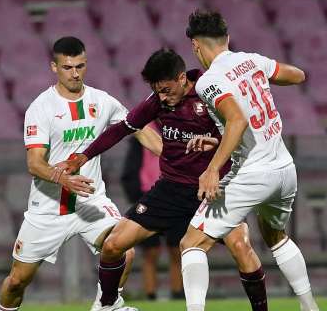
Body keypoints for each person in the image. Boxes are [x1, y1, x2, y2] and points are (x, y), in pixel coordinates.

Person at [61, 49, 269, 311]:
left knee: (241, 246)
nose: (162, 96)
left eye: (166, 89)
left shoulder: (211, 93)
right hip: (170, 190)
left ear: (182, 78)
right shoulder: (158, 101)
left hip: (213, 190)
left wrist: (216, 150)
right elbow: (123, 128)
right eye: (157, 90)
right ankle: (107, 305)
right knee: (113, 245)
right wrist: (83, 156)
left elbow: (240, 131)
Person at [0, 36, 162, 311]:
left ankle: (106, 306)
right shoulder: (41, 108)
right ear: (54, 67)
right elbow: (34, 164)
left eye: (80, 66)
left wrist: (172, 155)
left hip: (90, 201)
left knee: (124, 249)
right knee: (16, 282)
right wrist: (64, 179)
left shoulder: (102, 101)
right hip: (48, 208)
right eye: (68, 67)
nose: (74, 73)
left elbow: (138, 128)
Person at [179, 10, 320, 311]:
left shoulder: (209, 81)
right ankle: (310, 308)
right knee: (275, 235)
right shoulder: (253, 60)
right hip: (284, 170)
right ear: (227, 38)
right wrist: (262, 74)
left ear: (195, 46)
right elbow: (298, 75)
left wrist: (212, 168)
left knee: (191, 243)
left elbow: (238, 120)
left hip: (253, 174)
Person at [120, 137, 184, 301]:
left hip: (177, 196)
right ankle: (150, 294)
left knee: (177, 249)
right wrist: (136, 195)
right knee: (151, 251)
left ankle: (178, 293)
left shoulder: (180, 129)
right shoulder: (143, 134)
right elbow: (130, 170)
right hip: (148, 197)